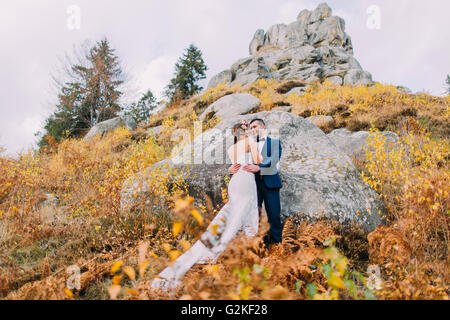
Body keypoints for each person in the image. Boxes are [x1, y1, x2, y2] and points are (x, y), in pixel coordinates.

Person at [150, 120, 262, 292]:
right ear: (245, 133)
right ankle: (248, 251)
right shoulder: (250, 142)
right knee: (247, 214)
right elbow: (259, 160)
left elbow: (233, 167)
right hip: (246, 180)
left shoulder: (232, 149)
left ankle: (233, 248)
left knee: (234, 214)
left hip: (235, 181)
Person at [229, 118, 283, 246]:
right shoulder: (247, 143)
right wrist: (230, 170)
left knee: (274, 215)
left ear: (263, 127)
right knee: (252, 217)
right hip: (252, 185)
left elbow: (274, 159)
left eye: (255, 126)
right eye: (251, 127)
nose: (253, 129)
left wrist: (259, 167)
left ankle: (277, 247)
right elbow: (238, 162)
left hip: (271, 183)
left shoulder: (274, 142)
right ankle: (256, 247)